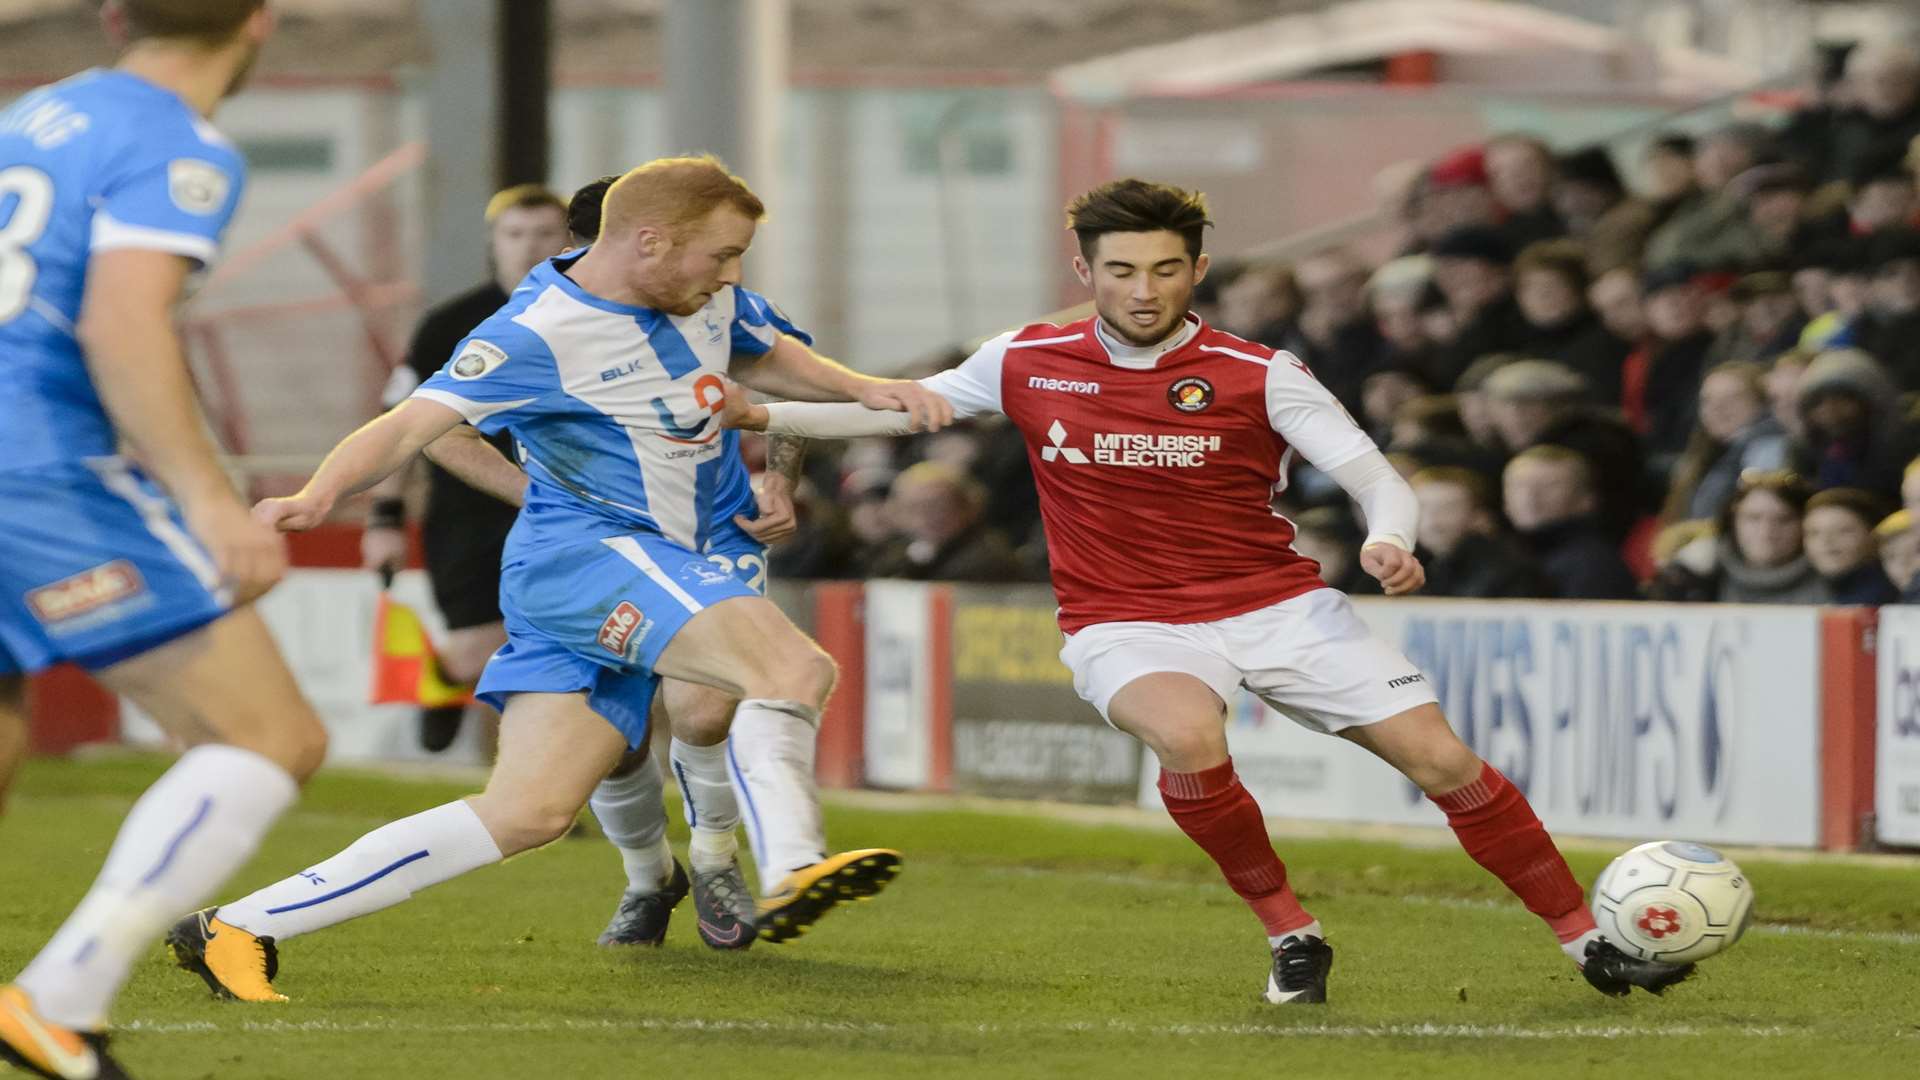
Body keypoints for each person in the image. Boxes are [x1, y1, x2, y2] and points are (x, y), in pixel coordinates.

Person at [723, 178, 1692, 1003]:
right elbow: (897, 415)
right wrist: (757, 413)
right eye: (1121, 269)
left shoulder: (1259, 373)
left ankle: (1586, 940)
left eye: (1163, 269)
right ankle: (1289, 932)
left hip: (1278, 605)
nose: (1142, 290)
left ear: (1196, 270)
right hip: (1127, 621)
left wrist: (1391, 538)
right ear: (1086, 272)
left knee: (1441, 761)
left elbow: (1372, 474)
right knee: (1188, 735)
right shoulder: (1022, 361)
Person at [166, 156, 945, 1005]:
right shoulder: (536, 330)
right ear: (651, 239)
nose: (732, 275)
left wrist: (868, 389)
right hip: (594, 560)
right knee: (793, 671)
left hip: (627, 566)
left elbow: (770, 352)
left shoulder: (702, 296)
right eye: (721, 255)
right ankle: (790, 865)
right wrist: (317, 495)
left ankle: (239, 926)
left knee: (528, 812)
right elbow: (412, 425)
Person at [0, 4, 333, 1078]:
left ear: (111, 15)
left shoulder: (30, 116)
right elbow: (121, 321)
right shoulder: (174, 143)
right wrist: (207, 497)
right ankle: (62, 998)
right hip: (37, 466)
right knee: (268, 736)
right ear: (261, 23)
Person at [363, 184, 570, 753]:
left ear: (569, 239)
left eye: (545, 233)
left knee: (551, 648)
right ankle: (451, 675)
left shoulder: (592, 316)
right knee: (483, 648)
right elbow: (397, 424)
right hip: (466, 512)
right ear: (493, 243)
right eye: (515, 234)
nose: (530, 246)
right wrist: (384, 517)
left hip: (560, 504)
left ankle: (546, 779)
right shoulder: (447, 325)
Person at [1651, 471, 1829, 604]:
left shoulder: (1835, 577)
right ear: (1732, 521)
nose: (1766, 531)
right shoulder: (1698, 578)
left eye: (1784, 519)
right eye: (1753, 518)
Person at [1500, 447, 1641, 600]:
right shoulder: (1500, 555)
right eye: (1519, 487)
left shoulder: (1592, 566)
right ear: (1504, 501)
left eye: (1549, 486)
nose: (1530, 498)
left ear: (1587, 500)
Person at [1663, 361, 1793, 522]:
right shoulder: (1709, 452)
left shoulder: (1768, 448)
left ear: (1761, 403)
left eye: (1733, 397)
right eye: (1708, 399)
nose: (1717, 407)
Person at [867, 461, 1026, 581]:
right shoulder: (897, 552)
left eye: (937, 506)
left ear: (968, 506)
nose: (926, 516)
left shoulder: (987, 559)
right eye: (914, 507)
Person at [1408, 468, 1547, 598]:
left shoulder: (1510, 571)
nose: (1433, 520)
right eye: (1422, 507)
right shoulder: (1400, 563)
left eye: (1449, 508)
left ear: (1478, 516)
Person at [1804, 488, 1898, 605]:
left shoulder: (1890, 595)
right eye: (1814, 533)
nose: (1826, 541)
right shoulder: (1810, 592)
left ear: (1873, 535)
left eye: (1844, 531)